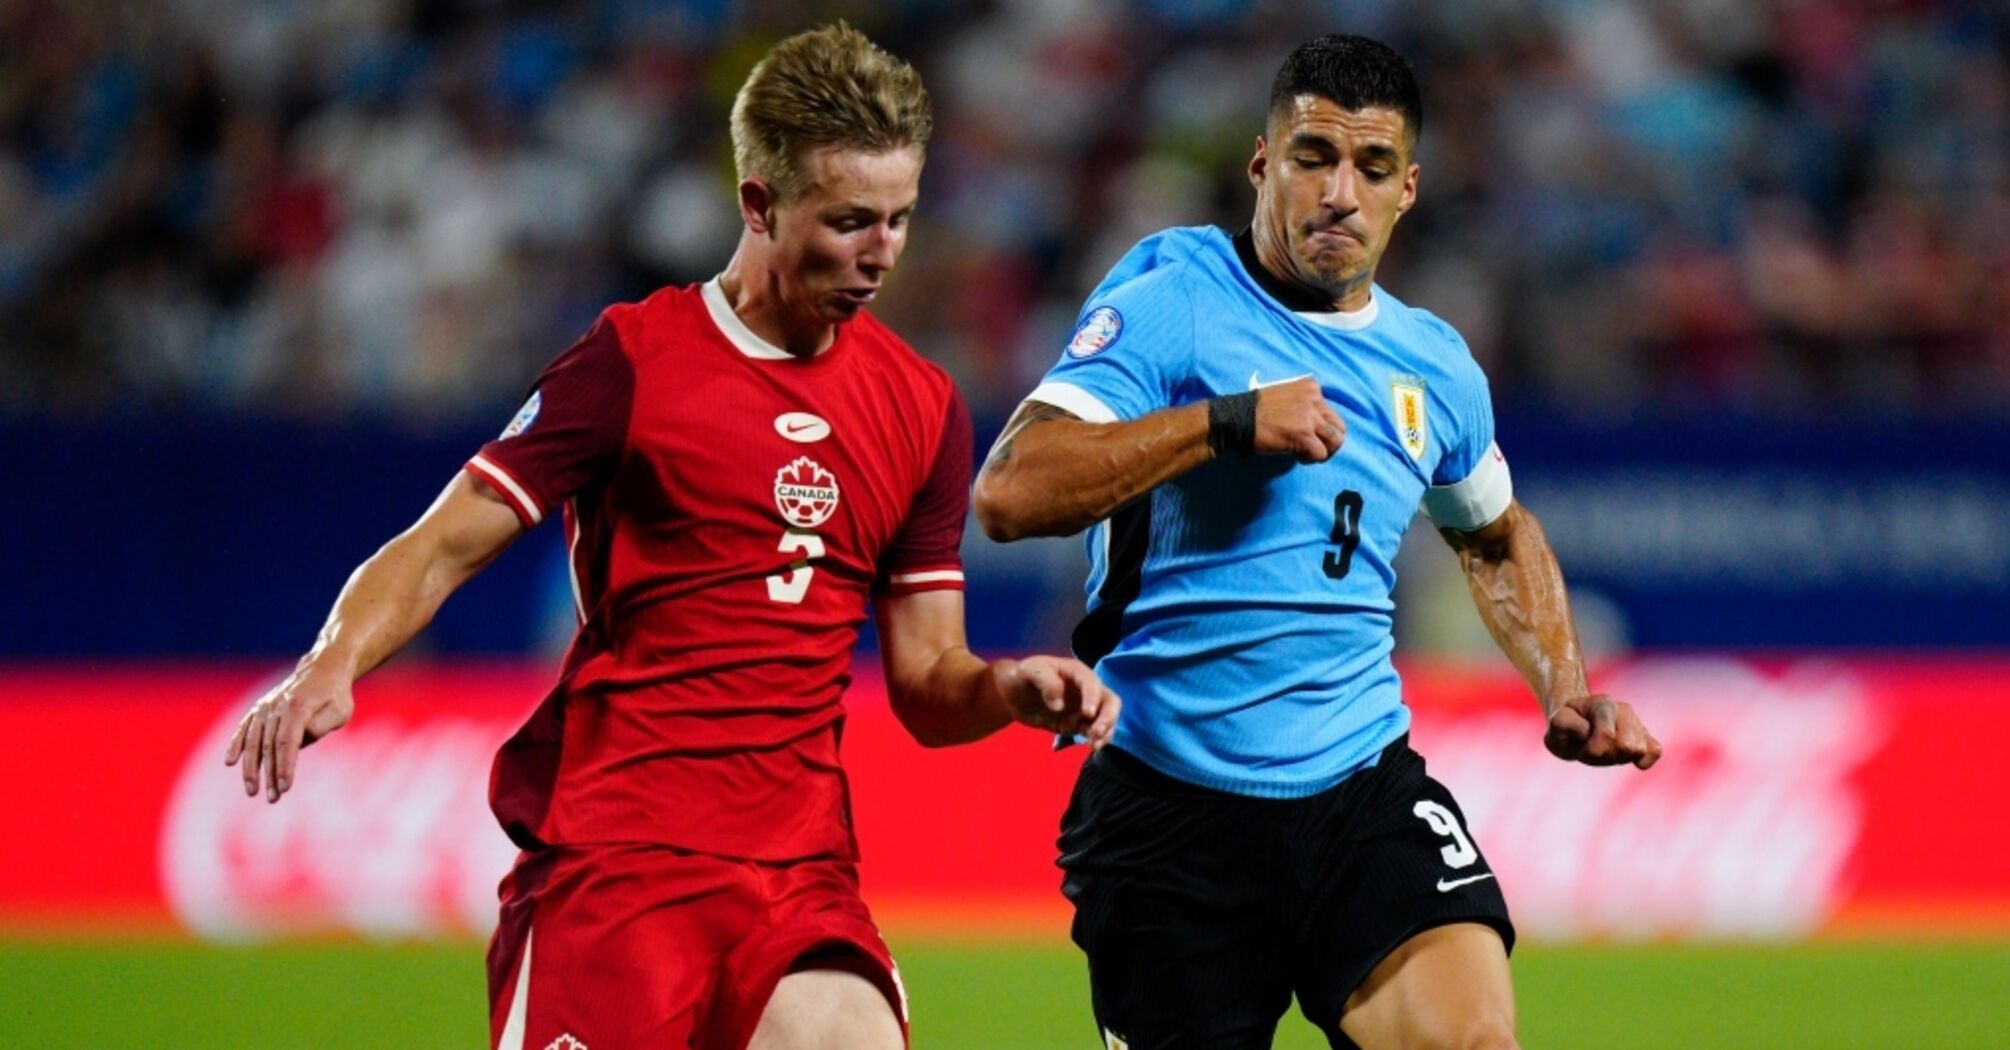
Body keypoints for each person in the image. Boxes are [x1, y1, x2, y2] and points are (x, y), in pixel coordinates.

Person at [223, 23, 1118, 1050]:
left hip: (799, 877)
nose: (881, 253)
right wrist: (332, 664)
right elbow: (441, 545)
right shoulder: (632, 364)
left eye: (901, 218)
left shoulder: (920, 406)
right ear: (758, 203)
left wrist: (1007, 689)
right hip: (616, 861)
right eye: (849, 221)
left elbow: (926, 681)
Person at [973, 33, 1660, 1050]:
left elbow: (1496, 535)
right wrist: (1224, 424)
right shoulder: (1172, 304)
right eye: (1313, 158)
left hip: (1359, 798)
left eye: (1371, 168)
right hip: (1169, 815)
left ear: (1407, 190)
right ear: (1263, 164)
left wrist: (1564, 686)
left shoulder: (1433, 365)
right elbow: (1009, 492)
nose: (1340, 191)